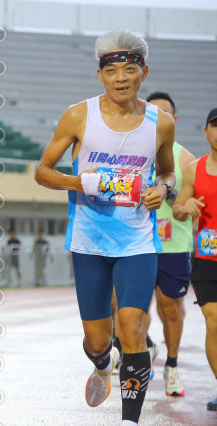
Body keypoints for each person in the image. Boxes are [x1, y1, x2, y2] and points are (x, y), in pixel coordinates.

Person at [34, 29, 176, 425]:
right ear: (100, 75)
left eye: (129, 69)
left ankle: (130, 420)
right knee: (98, 340)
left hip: (137, 240)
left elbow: (167, 172)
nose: (120, 78)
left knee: (132, 327)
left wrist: (163, 189)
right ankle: (101, 363)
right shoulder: (79, 115)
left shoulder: (161, 123)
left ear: (143, 72)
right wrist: (78, 182)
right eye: (111, 71)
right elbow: (42, 171)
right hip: (89, 241)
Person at [146, 91, 195, 396]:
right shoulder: (130, 151)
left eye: (163, 116)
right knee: (130, 307)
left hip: (173, 246)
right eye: (151, 114)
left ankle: (172, 366)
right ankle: (141, 353)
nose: (157, 121)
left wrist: (172, 193)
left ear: (173, 121)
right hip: (136, 242)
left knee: (171, 309)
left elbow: (192, 203)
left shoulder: (186, 160)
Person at [173, 107, 217, 411]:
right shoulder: (194, 169)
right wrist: (185, 207)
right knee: (213, 321)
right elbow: (177, 208)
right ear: (206, 132)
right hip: (206, 257)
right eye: (215, 126)